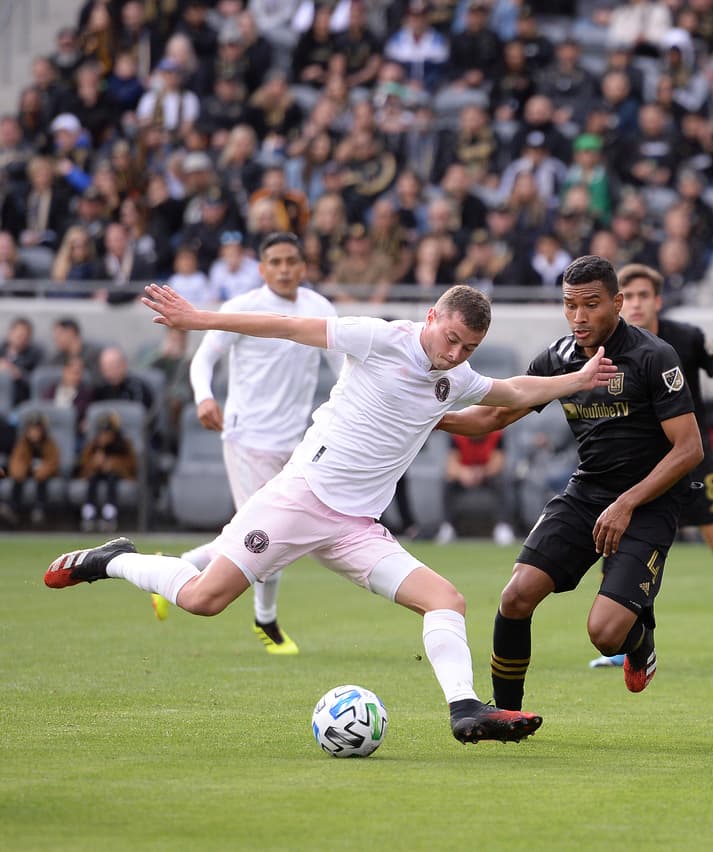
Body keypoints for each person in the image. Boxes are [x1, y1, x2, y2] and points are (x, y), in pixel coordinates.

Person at [44, 281, 620, 745]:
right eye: (450, 340)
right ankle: (112, 560)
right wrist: (199, 320)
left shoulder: (456, 377)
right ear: (430, 317)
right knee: (201, 599)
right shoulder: (380, 338)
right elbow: (287, 327)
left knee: (446, 599)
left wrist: (577, 378)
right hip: (299, 499)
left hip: (355, 528)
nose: (455, 355)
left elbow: (515, 391)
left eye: (467, 348)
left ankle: (466, 711)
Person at [436, 255, 704, 710]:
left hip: (648, 504)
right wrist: (429, 418)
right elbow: (494, 416)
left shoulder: (652, 356)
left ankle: (639, 640)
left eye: (591, 305)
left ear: (617, 303)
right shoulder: (558, 359)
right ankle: (506, 714)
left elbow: (689, 449)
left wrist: (626, 504)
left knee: (604, 635)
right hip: (586, 494)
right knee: (516, 596)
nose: (579, 317)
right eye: (569, 305)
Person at [587, 264, 713, 669]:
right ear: (618, 302)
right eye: (632, 295)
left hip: (690, 460)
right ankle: (630, 642)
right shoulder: (607, 348)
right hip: (639, 468)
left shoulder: (686, 338)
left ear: (658, 300)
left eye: (646, 295)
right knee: (619, 550)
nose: (639, 303)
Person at [176, 232, 343, 655]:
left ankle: (172, 571)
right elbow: (204, 358)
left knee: (254, 536)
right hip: (247, 437)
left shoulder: (318, 308)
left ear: (303, 266)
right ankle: (264, 620)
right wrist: (204, 396)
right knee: (262, 535)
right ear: (262, 268)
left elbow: (343, 368)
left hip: (298, 443)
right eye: (276, 262)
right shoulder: (242, 308)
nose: (285, 269)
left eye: (292, 261)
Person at [434, 431, 517, 546]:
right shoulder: (458, 436)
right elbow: (451, 465)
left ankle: (503, 526)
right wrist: (463, 473)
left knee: (502, 482)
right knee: (448, 481)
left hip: (487, 474)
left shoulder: (496, 434)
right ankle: (448, 526)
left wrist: (481, 472)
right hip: (465, 474)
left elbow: (498, 463)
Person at [77, 410, 138, 532]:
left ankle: (109, 515)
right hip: (97, 474)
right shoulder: (93, 446)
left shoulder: (123, 444)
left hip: (115, 475)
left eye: (107, 433)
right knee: (92, 480)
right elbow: (82, 464)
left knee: (112, 479)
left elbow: (132, 465)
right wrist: (94, 464)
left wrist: (113, 464)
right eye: (102, 434)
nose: (104, 437)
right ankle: (89, 514)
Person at [0, 410, 60, 526]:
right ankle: (13, 507)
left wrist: (42, 470)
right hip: (27, 470)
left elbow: (53, 461)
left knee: (42, 480)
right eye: (31, 430)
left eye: (37, 430)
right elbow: (16, 460)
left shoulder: (49, 444)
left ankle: (40, 508)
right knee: (18, 481)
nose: (34, 433)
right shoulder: (22, 443)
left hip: (43, 474)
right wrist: (20, 472)